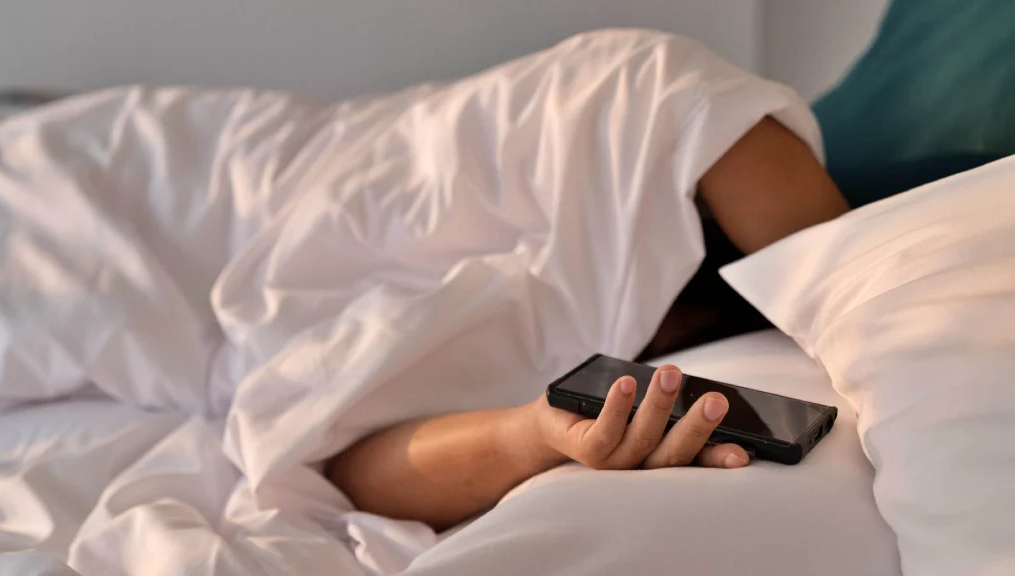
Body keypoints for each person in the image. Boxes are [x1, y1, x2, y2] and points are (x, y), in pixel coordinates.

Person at [325, 115, 849, 531]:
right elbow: (343, 468)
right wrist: (532, 433)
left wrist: (532, 431)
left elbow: (357, 471)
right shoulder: (651, 138)